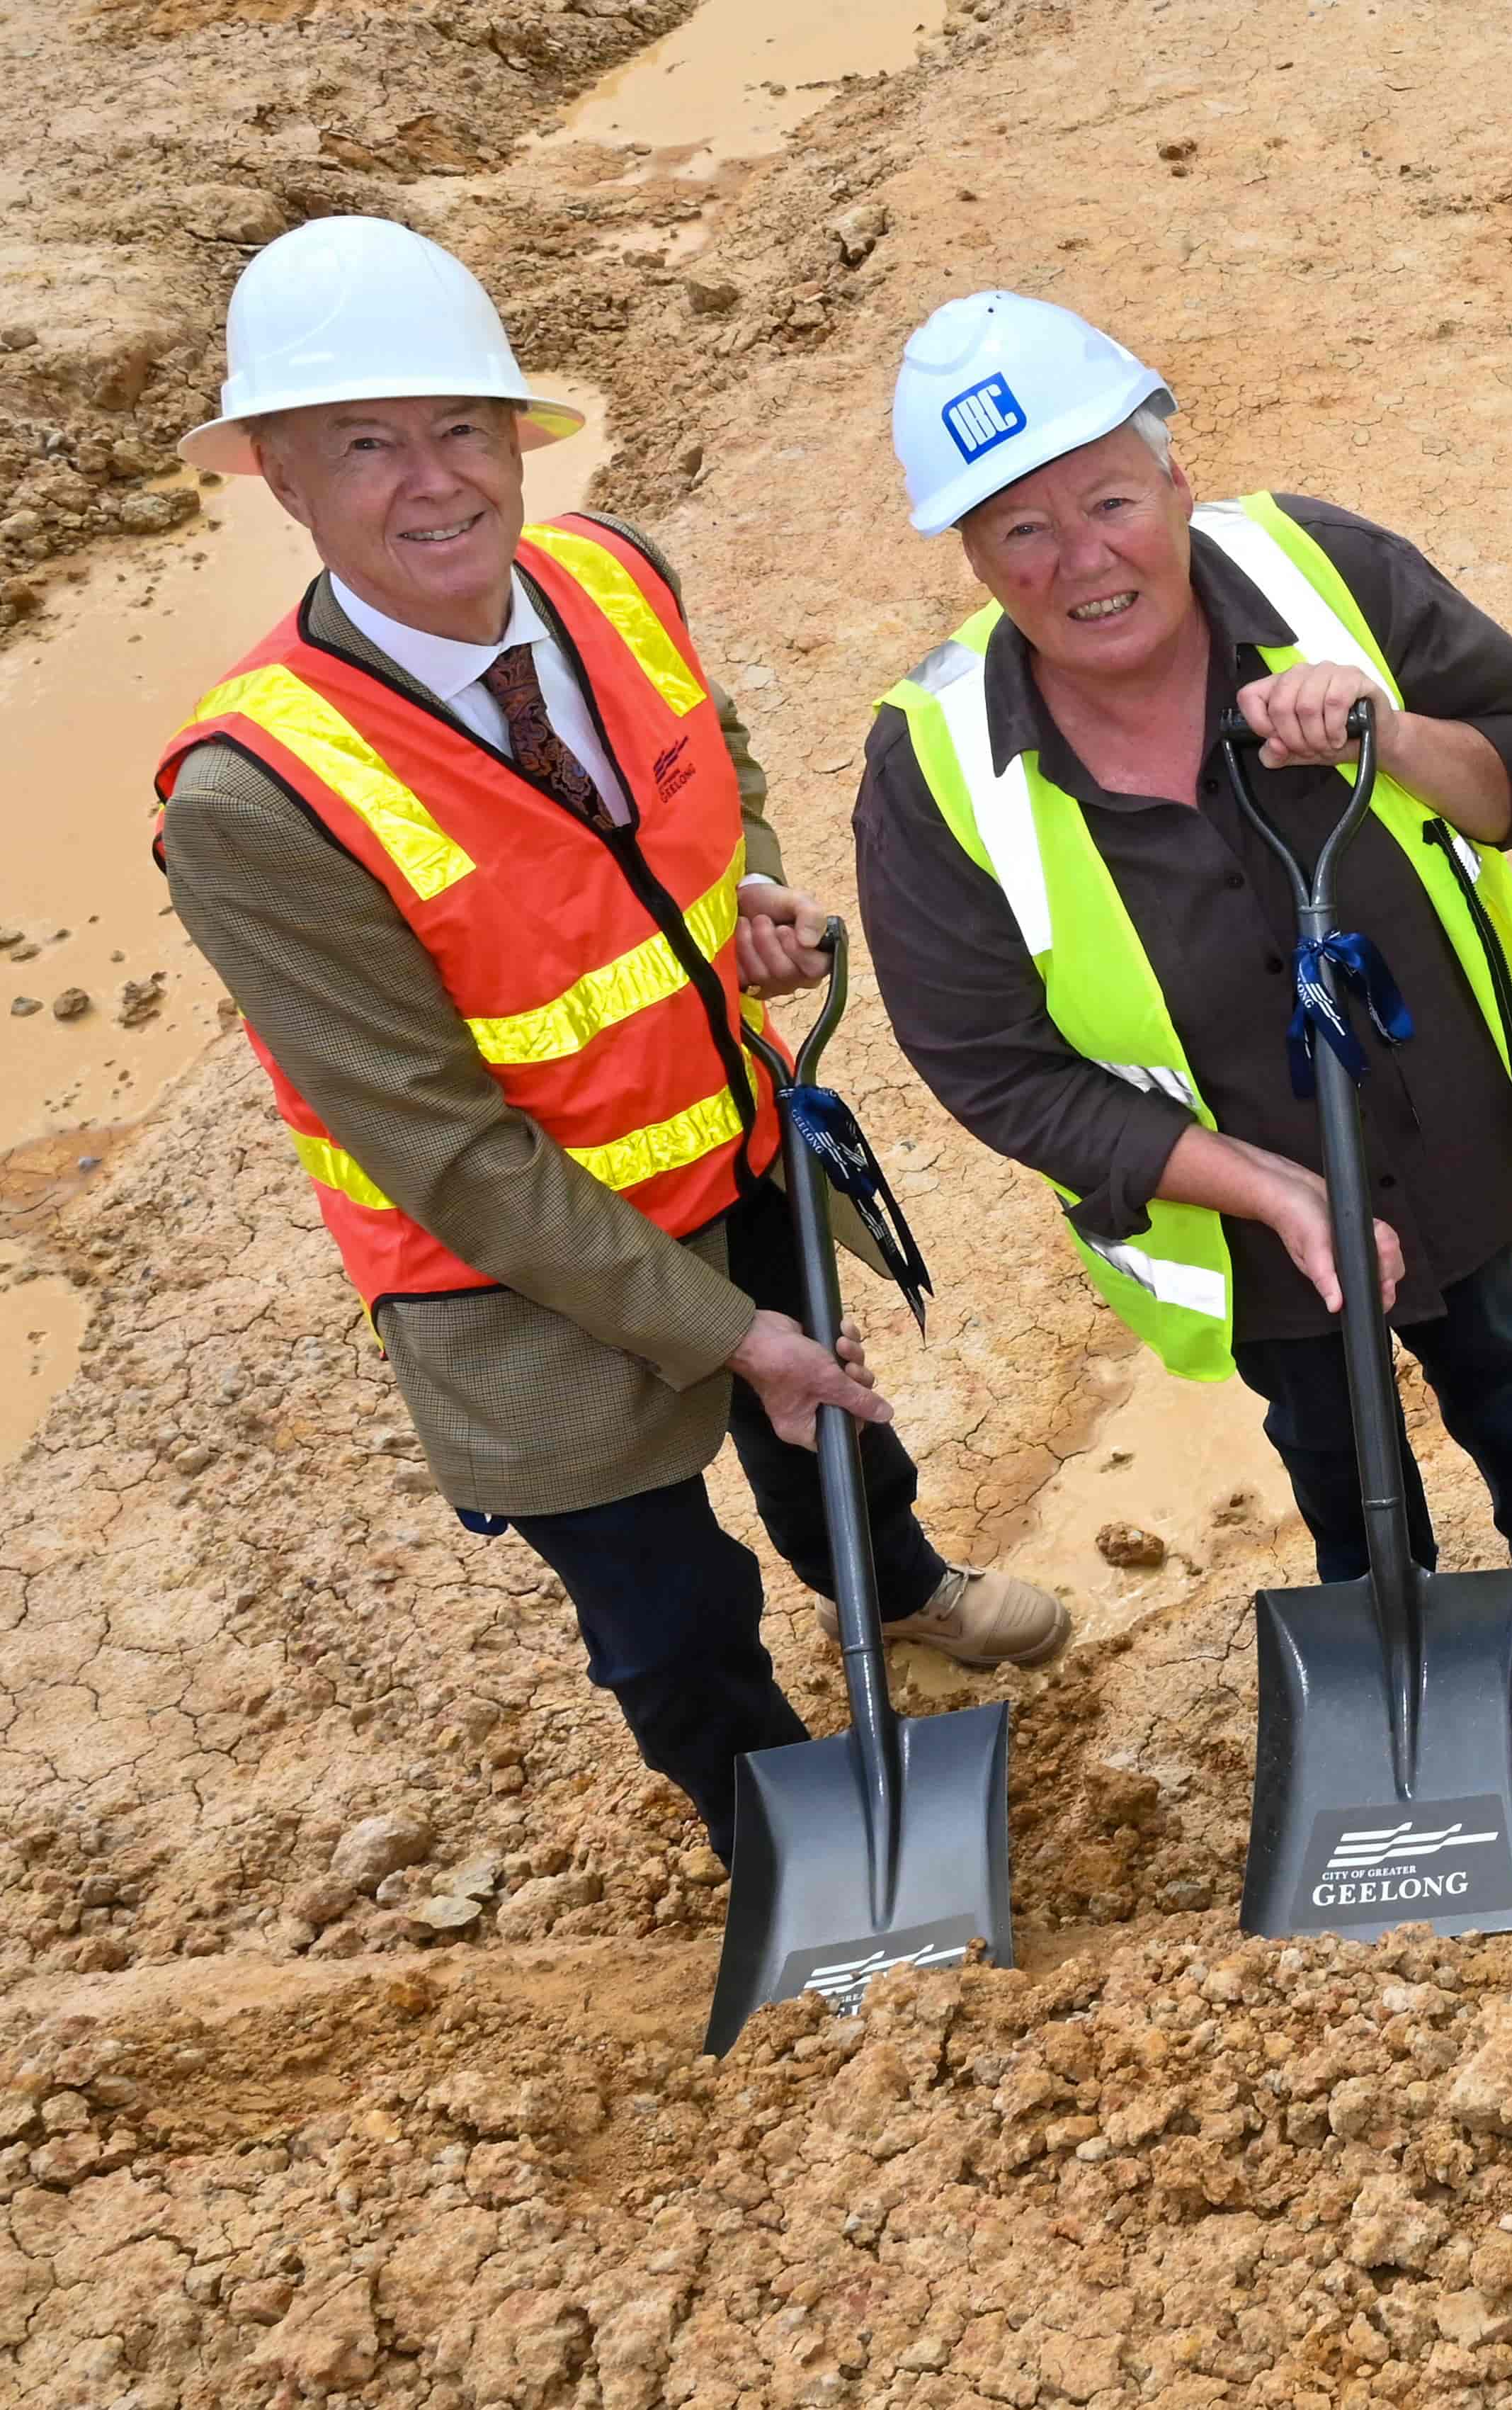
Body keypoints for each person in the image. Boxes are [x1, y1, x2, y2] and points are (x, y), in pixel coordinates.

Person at [150, 219, 1065, 1860]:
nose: (434, 481)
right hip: (515, 1279)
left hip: (735, 1148)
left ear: (518, 437)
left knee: (841, 1450)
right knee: (668, 1613)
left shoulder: (615, 575)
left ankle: (902, 1590)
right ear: (281, 478)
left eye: (462, 427)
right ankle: (782, 1838)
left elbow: (710, 761)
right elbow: (445, 1150)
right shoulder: (254, 802)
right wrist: (726, 1337)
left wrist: (750, 886)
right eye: (364, 445)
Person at [851, 293, 1512, 1688]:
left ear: (1176, 478)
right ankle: (1392, 1622)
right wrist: (1267, 1190)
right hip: (1245, 1227)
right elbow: (992, 1066)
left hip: (1446, 1134)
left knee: (1500, 1363)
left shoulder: (1321, 570)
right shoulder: (933, 769)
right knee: (1330, 1441)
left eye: (1110, 499)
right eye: (1022, 530)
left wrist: (1388, 734)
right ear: (973, 556)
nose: (1082, 560)